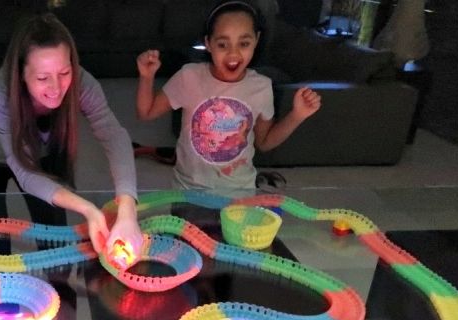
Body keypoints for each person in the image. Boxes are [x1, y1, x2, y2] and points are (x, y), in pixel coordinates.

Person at [0, 14, 143, 256]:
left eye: (65, 72)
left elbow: (114, 135)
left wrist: (127, 209)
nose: (56, 88)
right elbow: (24, 174)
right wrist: (89, 209)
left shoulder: (82, 82)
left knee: (55, 236)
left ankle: (59, 279)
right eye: (42, 78)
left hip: (38, 150)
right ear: (20, 74)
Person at [135, 0, 322, 191]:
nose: (233, 53)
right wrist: (146, 77)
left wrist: (297, 115)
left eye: (244, 43)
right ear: (208, 43)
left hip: (239, 192)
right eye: (223, 44)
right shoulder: (189, 76)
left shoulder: (261, 87)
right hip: (188, 189)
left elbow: (265, 142)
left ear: (256, 40)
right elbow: (146, 112)